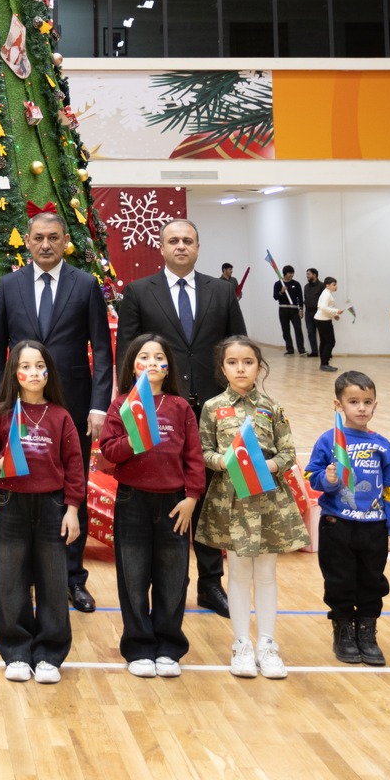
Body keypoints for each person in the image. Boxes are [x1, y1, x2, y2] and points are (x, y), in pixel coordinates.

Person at [112, 219, 243, 616]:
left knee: (207, 494)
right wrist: (128, 402)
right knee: (171, 492)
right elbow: (127, 352)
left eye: (188, 241)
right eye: (174, 241)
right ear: (162, 248)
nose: (181, 246)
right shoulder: (138, 292)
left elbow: (237, 346)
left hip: (213, 407)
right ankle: (165, 583)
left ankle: (209, 583)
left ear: (198, 247)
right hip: (160, 410)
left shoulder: (221, 291)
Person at [0, 211, 113, 610]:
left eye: (54, 237)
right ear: (27, 239)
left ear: (64, 242)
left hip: (72, 403)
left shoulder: (86, 284)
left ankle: (72, 578)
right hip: (21, 405)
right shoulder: (9, 285)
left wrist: (98, 405)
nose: (46, 244)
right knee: (24, 486)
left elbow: (102, 349)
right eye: (39, 237)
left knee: (72, 484)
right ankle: (25, 579)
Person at [97, 334, 204, 679]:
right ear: (132, 366)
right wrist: (133, 440)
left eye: (160, 357)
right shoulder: (121, 406)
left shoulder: (180, 406)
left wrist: (191, 497)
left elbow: (194, 456)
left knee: (174, 576)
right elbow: (108, 452)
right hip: (133, 500)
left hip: (175, 503)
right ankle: (139, 646)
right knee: (133, 574)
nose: (153, 363)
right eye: (144, 356)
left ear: (169, 366)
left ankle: (169, 646)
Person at [201, 336, 307, 681]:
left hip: (267, 500)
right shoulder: (213, 407)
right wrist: (225, 461)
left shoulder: (272, 408)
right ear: (222, 368)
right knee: (238, 573)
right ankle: (241, 643)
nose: (241, 368)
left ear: (259, 366)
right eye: (232, 362)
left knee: (266, 573)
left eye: (247, 361)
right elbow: (203, 451)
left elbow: (288, 452)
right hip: (230, 499)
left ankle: (267, 644)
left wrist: (270, 466)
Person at [0, 341, 83, 686]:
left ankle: (50, 654)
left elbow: (74, 466)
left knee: (53, 580)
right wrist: (0, 463)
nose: (33, 373)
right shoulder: (3, 414)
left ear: (49, 372)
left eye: (40, 366)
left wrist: (72, 509)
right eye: (26, 366)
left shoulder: (61, 416)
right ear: (14, 373)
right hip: (12, 503)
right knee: (10, 578)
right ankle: (17, 651)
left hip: (52, 505)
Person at [305, 370, 390, 668]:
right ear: (339, 406)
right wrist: (328, 477)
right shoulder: (328, 441)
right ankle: (343, 630)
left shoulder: (383, 445)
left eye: (367, 402)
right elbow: (311, 476)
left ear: (375, 405)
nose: (361, 408)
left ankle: (367, 630)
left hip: (373, 527)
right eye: (353, 401)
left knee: (372, 581)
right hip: (337, 524)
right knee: (339, 580)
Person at [313, 274, 349, 372]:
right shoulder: (326, 294)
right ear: (327, 285)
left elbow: (326, 308)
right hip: (323, 320)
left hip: (321, 319)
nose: (335, 286)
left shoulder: (327, 293)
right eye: (334, 284)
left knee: (324, 342)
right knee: (330, 342)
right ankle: (324, 363)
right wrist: (336, 311)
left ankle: (323, 363)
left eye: (336, 284)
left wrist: (334, 314)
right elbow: (323, 307)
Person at [273, 266, 306, 356]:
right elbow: (275, 297)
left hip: (294, 310)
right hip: (283, 309)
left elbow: (300, 297)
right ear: (285, 273)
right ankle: (290, 349)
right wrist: (281, 291)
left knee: (298, 329)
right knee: (285, 330)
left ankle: (301, 350)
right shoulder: (278, 284)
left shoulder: (296, 284)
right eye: (289, 273)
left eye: (292, 273)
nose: (291, 275)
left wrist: (301, 309)